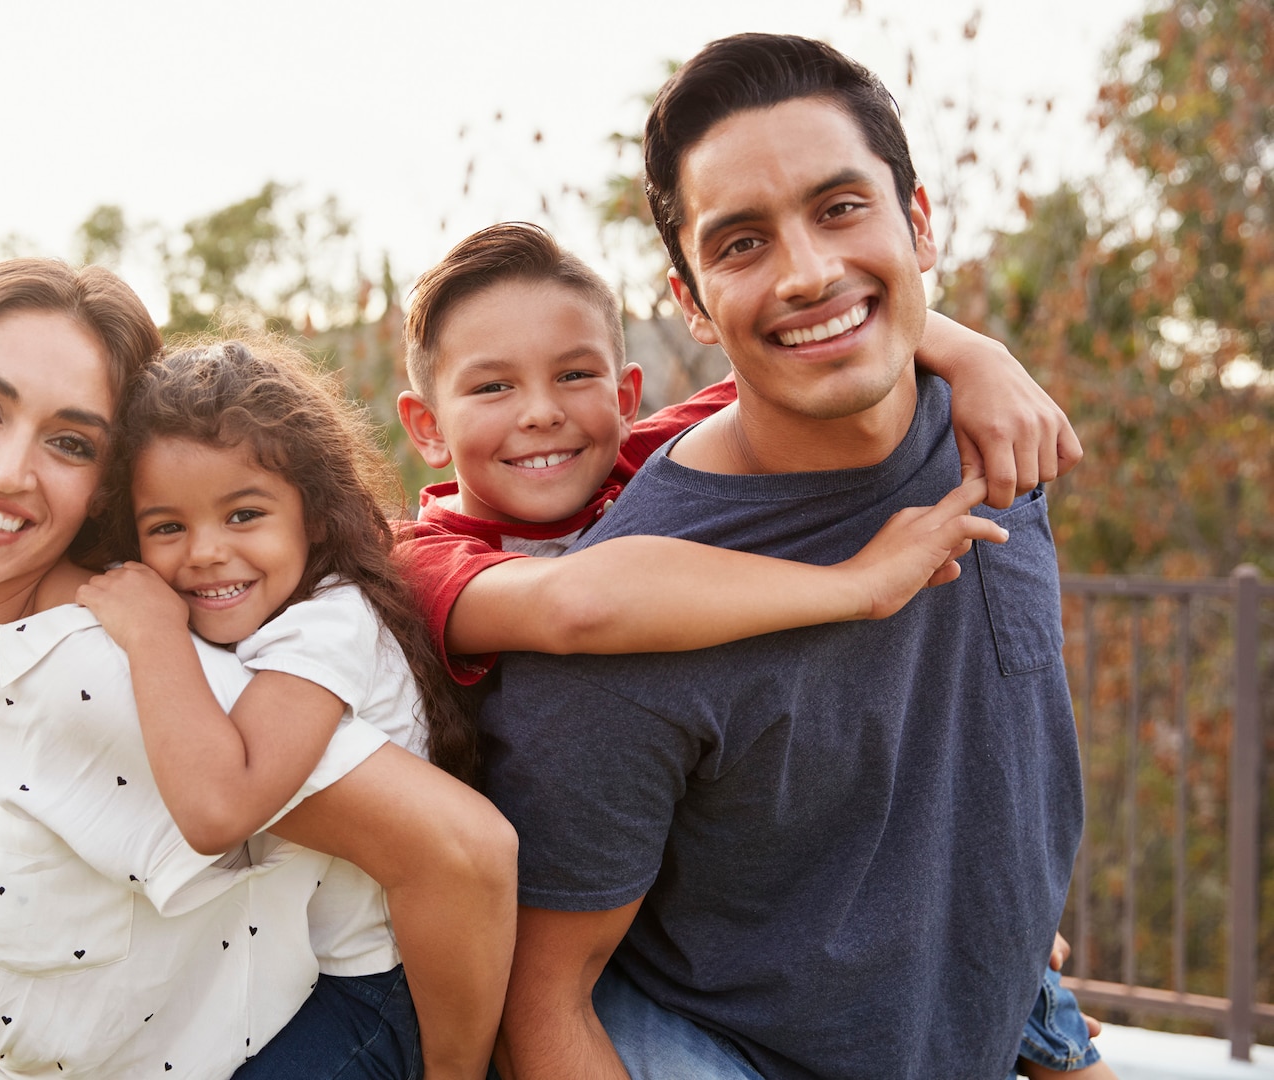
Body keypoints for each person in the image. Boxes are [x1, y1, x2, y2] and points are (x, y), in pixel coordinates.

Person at [475, 35, 1088, 1079]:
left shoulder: (998, 435)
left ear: (921, 223)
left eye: (842, 208)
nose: (809, 273)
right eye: (743, 243)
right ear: (691, 301)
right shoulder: (631, 620)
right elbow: (543, 1008)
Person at [0, 259, 514, 1079]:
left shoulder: (107, 667)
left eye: (70, 442)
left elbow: (460, 852)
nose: (6, 470)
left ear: (103, 489)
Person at [76, 336, 509, 1080]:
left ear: (312, 516)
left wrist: (152, 636)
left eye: (243, 515)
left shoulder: (328, 623)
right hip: (303, 976)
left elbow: (223, 807)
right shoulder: (266, 618)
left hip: (379, 990)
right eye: (168, 527)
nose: (206, 552)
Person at [393, 221, 1073, 686]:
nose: (542, 412)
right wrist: (860, 585)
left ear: (627, 399)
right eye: (492, 387)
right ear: (428, 428)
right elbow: (576, 605)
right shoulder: (416, 561)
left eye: (574, 375)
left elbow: (811, 349)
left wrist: (980, 358)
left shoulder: (643, 457)